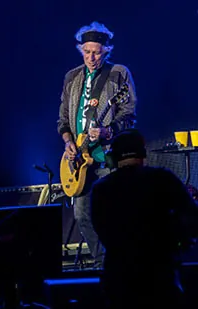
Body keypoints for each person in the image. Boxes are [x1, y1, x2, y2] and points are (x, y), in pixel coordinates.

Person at [56, 21, 138, 269]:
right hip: (79, 160)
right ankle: (104, 264)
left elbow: (130, 115)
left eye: (97, 52)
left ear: (106, 51)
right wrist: (68, 142)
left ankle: (120, 265)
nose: (91, 57)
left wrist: (108, 130)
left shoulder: (118, 74)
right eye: (87, 52)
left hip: (107, 157)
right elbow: (62, 119)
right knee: (82, 216)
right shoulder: (72, 77)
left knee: (112, 215)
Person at [89, 129, 198, 308]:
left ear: (113, 158)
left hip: (118, 277)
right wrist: (178, 245)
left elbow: (101, 230)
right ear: (143, 154)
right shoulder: (163, 178)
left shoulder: (101, 189)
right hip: (160, 274)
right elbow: (192, 218)